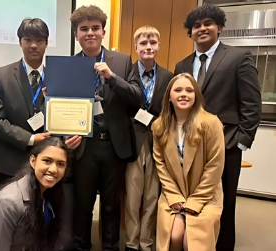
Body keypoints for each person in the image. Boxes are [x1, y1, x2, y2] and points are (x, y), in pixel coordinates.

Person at [174, 4, 262, 250]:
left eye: (208, 23)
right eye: (196, 26)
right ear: (190, 32)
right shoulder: (182, 65)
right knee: (193, 199)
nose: (202, 29)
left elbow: (252, 103)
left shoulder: (238, 57)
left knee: (225, 202)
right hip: (190, 147)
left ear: (219, 27)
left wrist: (242, 141)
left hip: (228, 144)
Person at [68, 5, 142, 251]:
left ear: (103, 32)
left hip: (113, 144)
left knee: (111, 205)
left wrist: (112, 77)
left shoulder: (121, 61)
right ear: (76, 35)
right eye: (84, 29)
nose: (90, 33)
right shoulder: (68, 65)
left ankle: (111, 248)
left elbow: (135, 97)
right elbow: (62, 109)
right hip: (84, 146)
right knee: (83, 205)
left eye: (95, 28)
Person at [152, 73, 225, 251]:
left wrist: (196, 200)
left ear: (196, 96)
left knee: (192, 242)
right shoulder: (159, 126)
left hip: (205, 195)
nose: (183, 94)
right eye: (178, 90)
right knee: (174, 236)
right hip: (173, 193)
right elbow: (160, 165)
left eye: (189, 90)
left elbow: (215, 166)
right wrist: (174, 196)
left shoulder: (211, 123)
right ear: (169, 96)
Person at [0, 137, 69, 251]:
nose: (54, 169)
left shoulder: (48, 193)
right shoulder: (7, 203)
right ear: (33, 161)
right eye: (47, 161)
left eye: (61, 164)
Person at [125, 26, 173, 251]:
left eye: (153, 43)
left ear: (159, 46)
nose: (148, 47)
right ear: (136, 47)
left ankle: (146, 242)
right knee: (133, 197)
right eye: (143, 43)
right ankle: (132, 242)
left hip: (157, 142)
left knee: (153, 195)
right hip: (132, 142)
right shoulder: (126, 73)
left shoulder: (168, 77)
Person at [0, 18, 50, 185]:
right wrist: (29, 138)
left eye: (39, 40)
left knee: (44, 210)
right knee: (8, 209)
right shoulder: (1, 76)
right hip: (10, 161)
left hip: (48, 161)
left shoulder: (57, 77)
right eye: (28, 40)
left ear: (46, 42)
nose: (33, 45)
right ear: (20, 42)